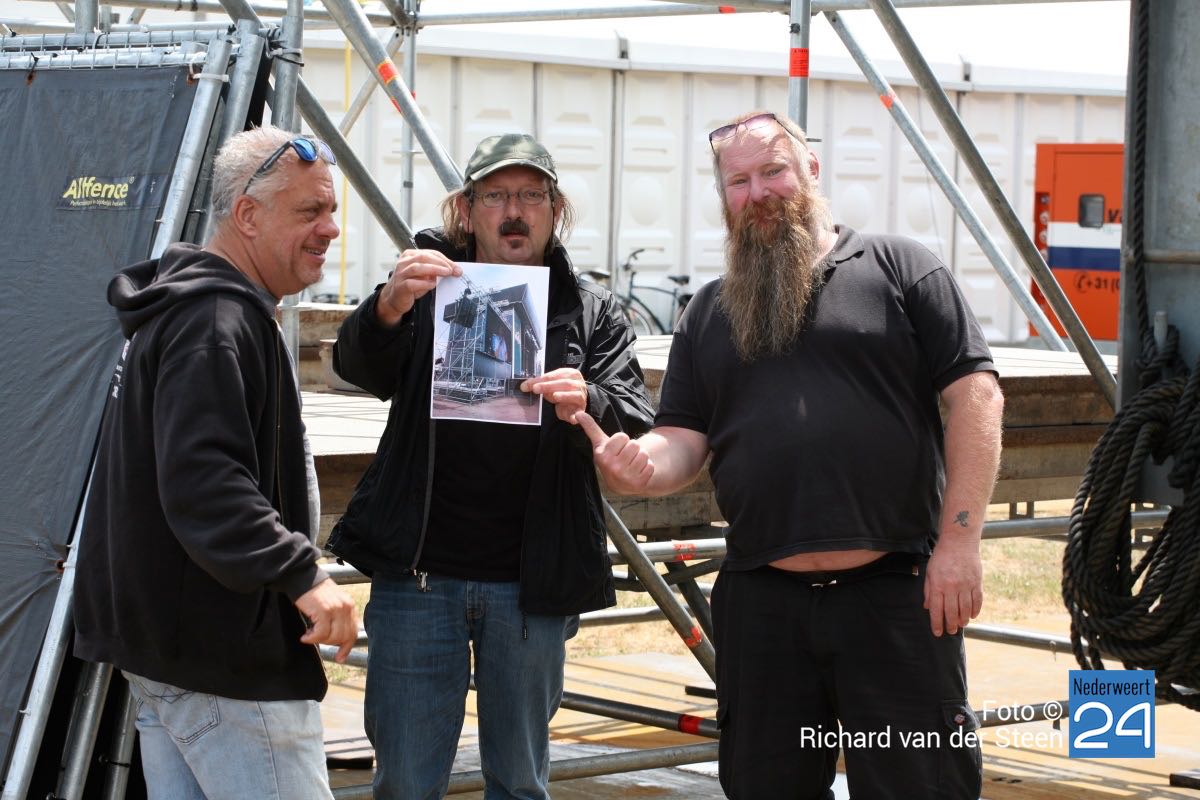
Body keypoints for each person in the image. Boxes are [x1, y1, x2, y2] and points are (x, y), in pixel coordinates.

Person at [578, 110, 1005, 799]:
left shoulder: (902, 269)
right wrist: (642, 465)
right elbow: (682, 438)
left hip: (896, 595)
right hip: (763, 604)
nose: (758, 192)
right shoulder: (709, 312)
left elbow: (977, 398)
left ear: (811, 170)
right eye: (738, 181)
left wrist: (960, 544)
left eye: (773, 171)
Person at [328, 133, 655, 799]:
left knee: (520, 782)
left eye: (531, 196)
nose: (514, 212)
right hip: (419, 579)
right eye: (496, 196)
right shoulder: (426, 287)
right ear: (466, 209)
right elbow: (356, 369)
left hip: (531, 586)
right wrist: (386, 308)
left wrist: (588, 398)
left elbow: (634, 414)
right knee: (405, 783)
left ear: (555, 210)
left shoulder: (589, 309)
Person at [74, 126, 358, 800]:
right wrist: (301, 575)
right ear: (248, 215)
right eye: (309, 211)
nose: (330, 229)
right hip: (224, 660)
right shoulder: (214, 321)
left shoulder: (194, 309)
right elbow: (205, 483)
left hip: (179, 651)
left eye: (331, 210)